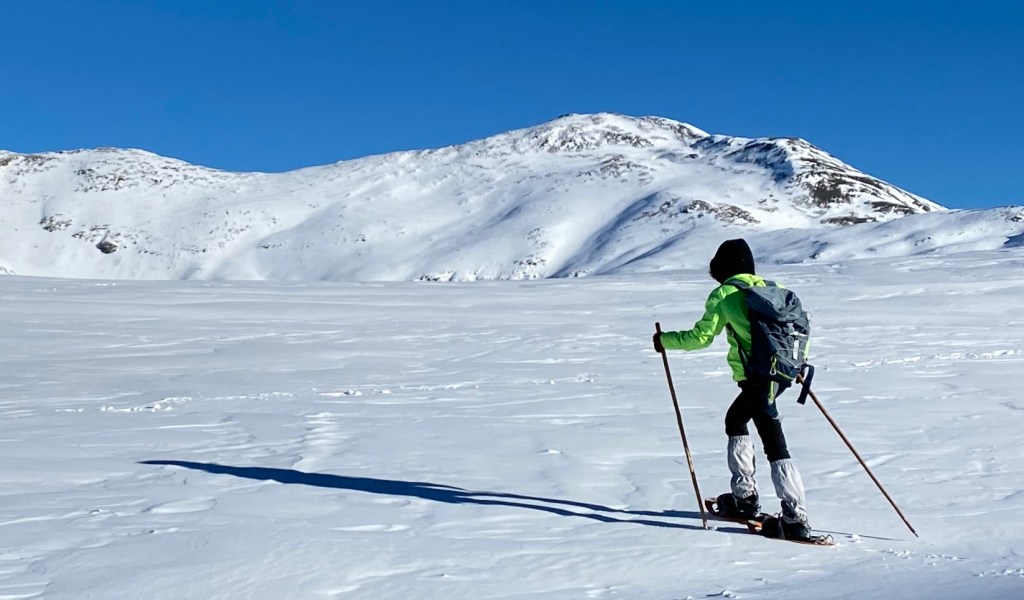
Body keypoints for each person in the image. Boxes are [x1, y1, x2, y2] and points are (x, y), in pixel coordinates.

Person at [652, 238, 812, 540]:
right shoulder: (772, 289)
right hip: (781, 375)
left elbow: (701, 338)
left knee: (772, 440)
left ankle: (793, 516)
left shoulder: (725, 294)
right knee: (737, 420)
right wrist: (795, 365)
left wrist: (665, 340)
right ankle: (745, 498)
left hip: (758, 378)